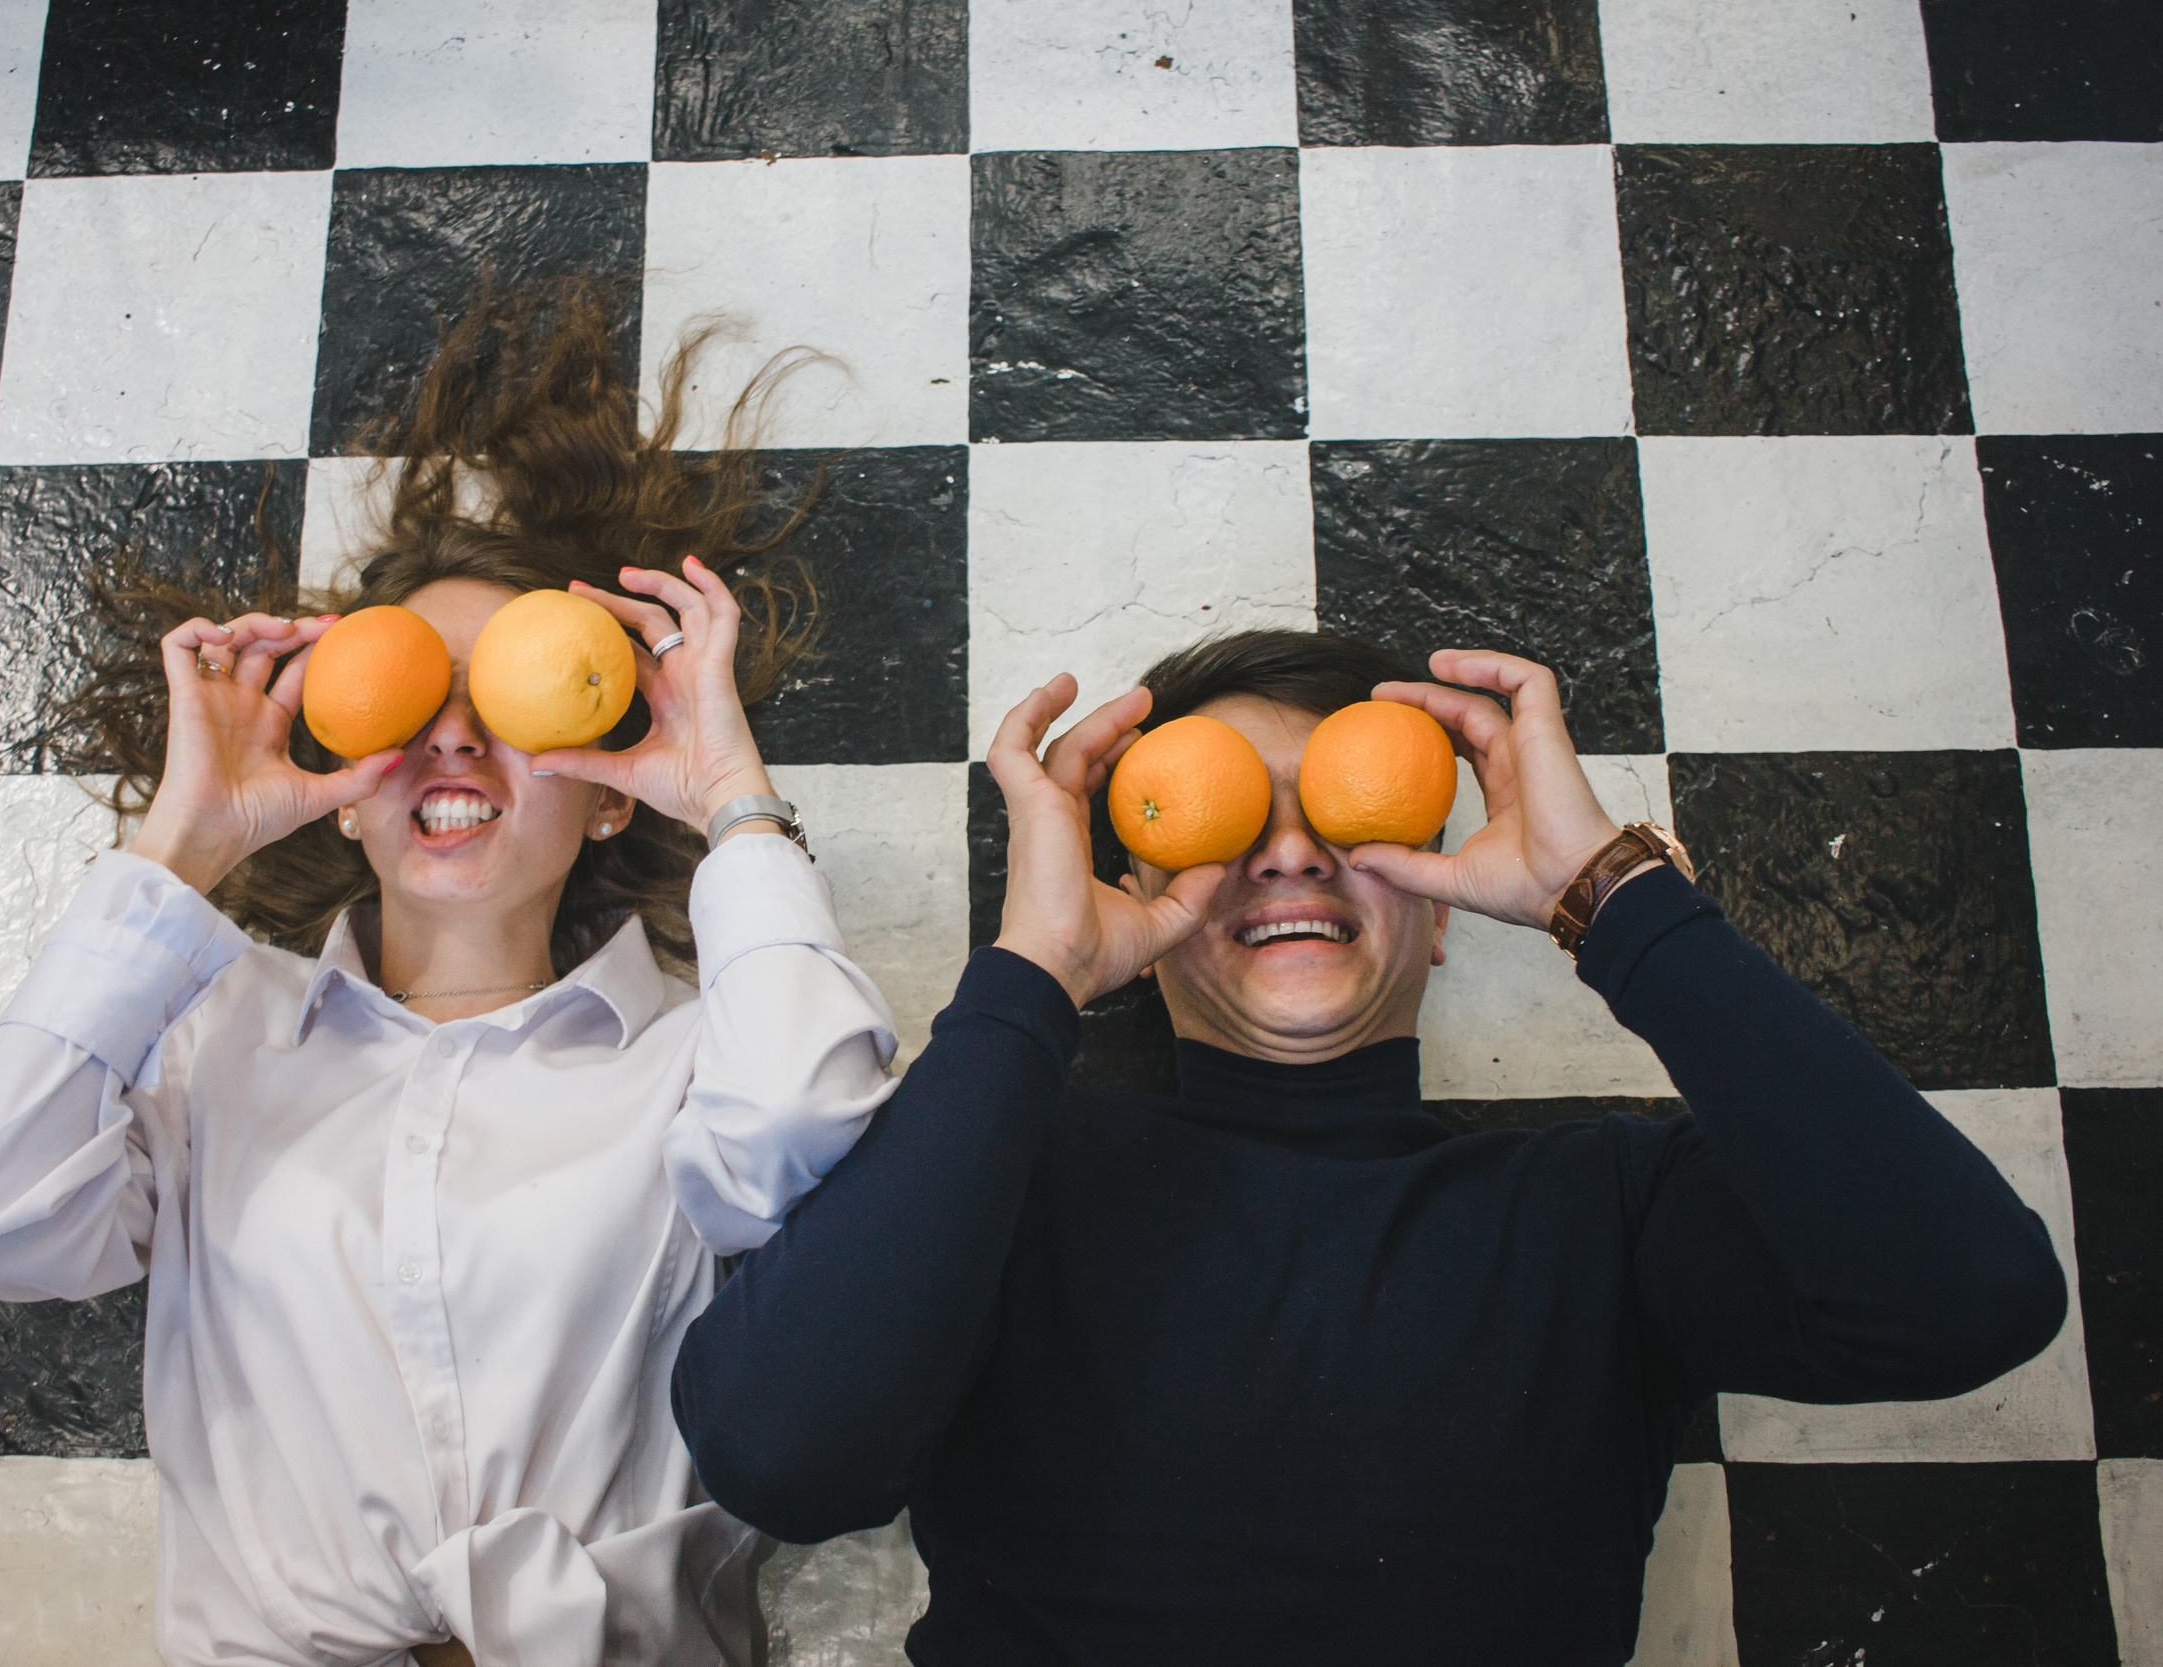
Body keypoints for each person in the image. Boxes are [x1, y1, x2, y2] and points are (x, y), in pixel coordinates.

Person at [670, 629, 2070, 1664]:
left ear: (1445, 907)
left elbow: (1973, 1297)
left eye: (1345, 810)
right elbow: (781, 1455)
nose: (1289, 853)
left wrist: (1610, 899)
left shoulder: (1605, 1208)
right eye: (1231, 816)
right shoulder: (997, 1174)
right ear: (1139, 901)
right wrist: (1034, 973)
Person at [0, 286, 899, 1667]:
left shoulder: (704, 1059)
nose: (454, 739)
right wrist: (185, 845)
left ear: (610, 790)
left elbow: (799, 1130)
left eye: (511, 698)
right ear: (350, 792)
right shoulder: (217, 1041)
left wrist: (730, 793)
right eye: (411, 698)